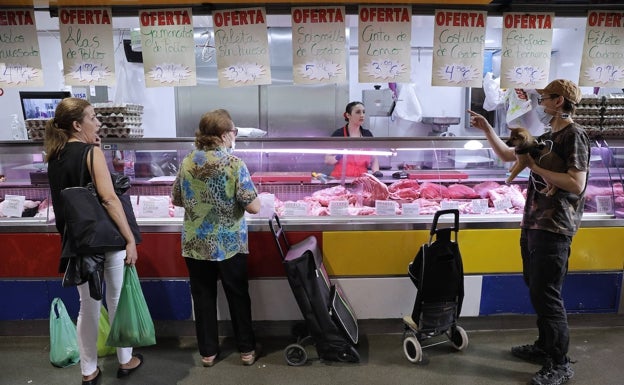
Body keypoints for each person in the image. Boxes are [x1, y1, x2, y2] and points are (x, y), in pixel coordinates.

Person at [468, 79, 590, 385]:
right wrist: (487, 130)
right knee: (536, 288)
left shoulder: (574, 135)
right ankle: (544, 346)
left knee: (547, 294)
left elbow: (577, 184)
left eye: (545, 98)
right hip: (534, 223)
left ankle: (559, 363)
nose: (541, 103)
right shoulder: (549, 135)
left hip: (555, 225)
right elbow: (511, 157)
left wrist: (536, 170)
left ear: (559, 101)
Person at [44, 98, 143, 385]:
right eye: (93, 117)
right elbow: (109, 198)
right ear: (77, 124)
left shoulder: (54, 156)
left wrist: (95, 149)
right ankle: (125, 360)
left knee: (87, 306)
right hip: (106, 238)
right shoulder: (91, 153)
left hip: (77, 241)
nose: (97, 122)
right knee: (114, 299)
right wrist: (129, 239)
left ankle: (88, 370)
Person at [171, 109, 261, 368]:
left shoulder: (188, 161)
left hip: (196, 244)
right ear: (223, 135)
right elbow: (253, 207)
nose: (235, 136)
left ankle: (208, 353)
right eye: (233, 132)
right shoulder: (233, 164)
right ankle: (246, 349)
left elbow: (176, 198)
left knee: (203, 297)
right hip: (229, 243)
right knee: (238, 295)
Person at [324, 101, 381, 178]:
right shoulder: (339, 134)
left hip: (361, 181)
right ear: (348, 115)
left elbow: (374, 158)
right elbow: (327, 160)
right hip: (340, 180)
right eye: (358, 112)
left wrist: (376, 172)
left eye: (363, 112)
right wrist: (340, 155)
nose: (362, 115)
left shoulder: (367, 135)